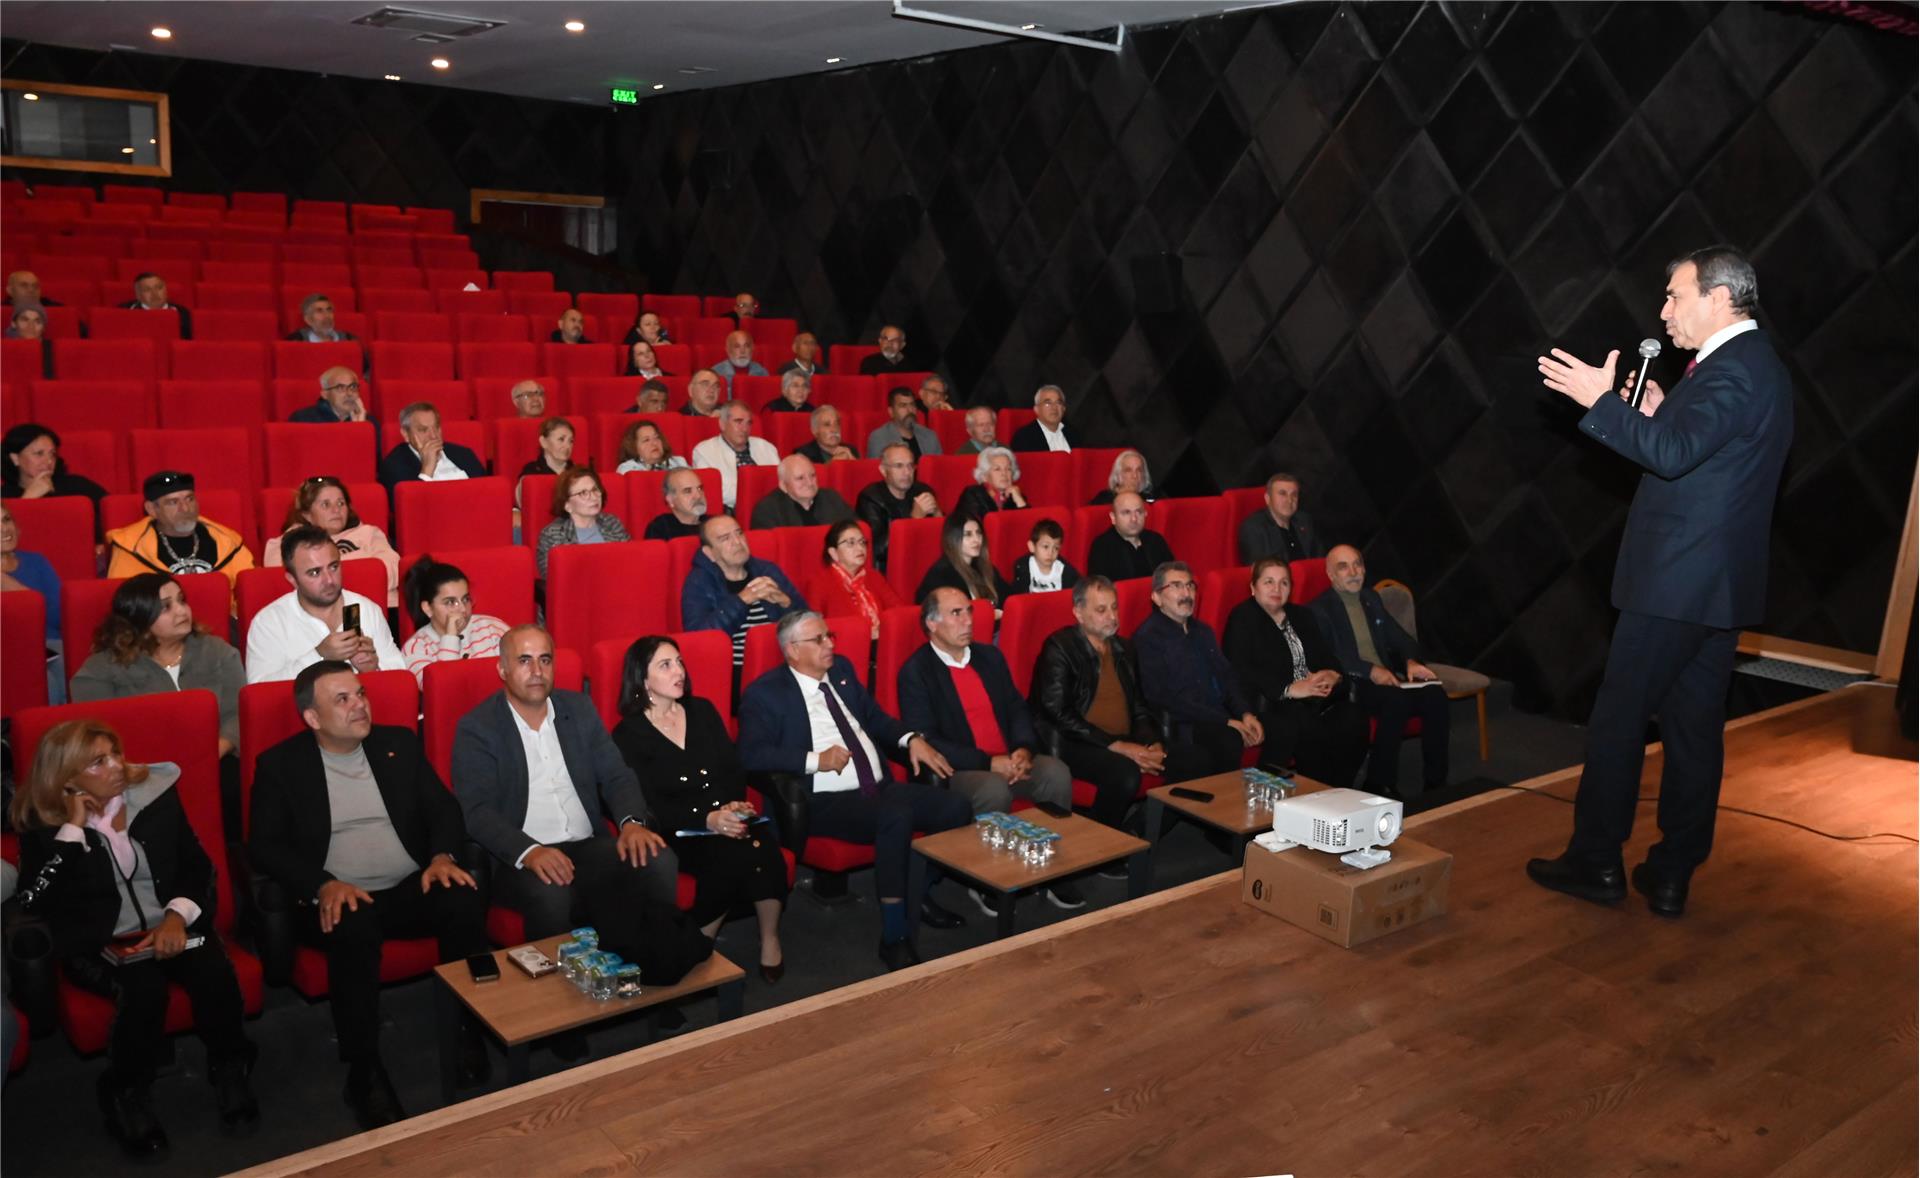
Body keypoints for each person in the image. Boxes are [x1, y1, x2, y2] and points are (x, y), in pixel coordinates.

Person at [1528, 245, 1793, 916]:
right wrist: (1661, 411)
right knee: (1693, 729)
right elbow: (1707, 456)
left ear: (1718, 298)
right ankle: (1672, 872)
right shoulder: (1748, 366)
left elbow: (1672, 458)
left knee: (1618, 720)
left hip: (1677, 584)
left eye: (1675, 295)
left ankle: (1596, 861)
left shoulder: (1736, 368)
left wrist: (1600, 402)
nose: (1664, 310)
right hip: (1713, 590)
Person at [248, 661, 489, 1129]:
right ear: (312, 718)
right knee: (353, 924)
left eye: (360, 693)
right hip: (338, 896)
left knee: (459, 894)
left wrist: (441, 857)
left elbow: (442, 808)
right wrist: (323, 884)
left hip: (408, 887)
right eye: (342, 699)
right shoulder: (280, 766)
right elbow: (265, 846)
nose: (359, 705)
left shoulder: (397, 743)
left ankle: (467, 1027)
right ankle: (363, 1070)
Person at [12, 720, 259, 1159]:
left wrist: (175, 918)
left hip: (169, 922)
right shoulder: (42, 825)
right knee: (144, 990)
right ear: (67, 779)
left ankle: (230, 1067)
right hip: (97, 942)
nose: (117, 766)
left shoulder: (155, 797)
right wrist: (72, 831)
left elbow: (197, 867)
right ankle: (126, 1093)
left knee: (212, 971)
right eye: (98, 762)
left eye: (115, 754)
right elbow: (33, 899)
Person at [737, 610, 968, 970]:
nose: (829, 644)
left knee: (957, 807)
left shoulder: (841, 671)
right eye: (819, 639)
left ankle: (916, 893)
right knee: (895, 817)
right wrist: (815, 760)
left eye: (829, 636)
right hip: (822, 801)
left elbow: (875, 718)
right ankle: (895, 935)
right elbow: (751, 754)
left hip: (877, 788)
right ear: (792, 650)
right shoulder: (765, 694)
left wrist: (911, 739)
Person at [450, 626, 682, 943]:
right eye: (524, 660)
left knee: (657, 858)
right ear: (502, 670)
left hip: (586, 846)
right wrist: (530, 851)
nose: (537, 671)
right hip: (519, 856)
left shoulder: (579, 709)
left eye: (545, 660)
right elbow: (477, 810)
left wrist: (631, 823)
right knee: (551, 891)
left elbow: (616, 774)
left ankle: (657, 958)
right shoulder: (478, 727)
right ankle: (555, 977)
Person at [610, 636, 788, 982]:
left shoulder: (702, 710)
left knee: (761, 843)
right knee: (729, 854)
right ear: (642, 679)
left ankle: (770, 938)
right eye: (666, 665)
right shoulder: (629, 734)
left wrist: (732, 805)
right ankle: (698, 943)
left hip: (725, 817)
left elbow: (732, 768)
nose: (679, 671)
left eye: (679, 662)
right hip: (677, 831)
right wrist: (707, 819)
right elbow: (648, 803)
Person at [898, 588, 1078, 912]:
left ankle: (1051, 867)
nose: (968, 620)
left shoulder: (989, 657)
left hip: (1008, 758)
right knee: (993, 789)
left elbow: (1017, 707)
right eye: (957, 613)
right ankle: (988, 878)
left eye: (969, 611)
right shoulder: (917, 672)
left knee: (1056, 773)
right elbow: (928, 740)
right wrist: (987, 762)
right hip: (961, 767)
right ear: (932, 624)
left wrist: (1023, 749)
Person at [72, 574, 245, 824]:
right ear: (138, 618)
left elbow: (238, 713)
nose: (181, 611)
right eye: (166, 607)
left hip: (216, 761)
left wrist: (210, 754)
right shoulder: (101, 670)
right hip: (140, 773)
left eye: (181, 600)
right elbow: (95, 736)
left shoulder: (216, 651)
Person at [1307, 545, 1448, 799]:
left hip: (1386, 678)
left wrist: (1410, 661)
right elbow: (1329, 656)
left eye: (1357, 564)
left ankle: (1436, 783)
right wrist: (1370, 670)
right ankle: (1379, 782)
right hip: (1352, 683)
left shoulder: (1371, 598)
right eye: (1343, 567)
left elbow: (1402, 638)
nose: (1353, 572)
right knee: (1396, 700)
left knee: (1435, 696)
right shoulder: (1319, 609)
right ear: (1330, 574)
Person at [1028, 576, 1168, 833]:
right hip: (1076, 742)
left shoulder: (1125, 648)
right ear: (1078, 613)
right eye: (1101, 610)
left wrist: (1153, 743)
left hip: (1122, 739)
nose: (1112, 617)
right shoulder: (1060, 647)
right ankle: (1098, 841)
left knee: (1188, 760)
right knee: (1125, 773)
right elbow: (1058, 712)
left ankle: (1137, 832)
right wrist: (1116, 746)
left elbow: (1139, 707)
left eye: (1114, 607)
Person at [1221, 559, 1367, 788]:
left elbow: (1326, 656)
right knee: (1304, 724)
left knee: (1353, 717)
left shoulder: (1301, 615)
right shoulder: (1242, 617)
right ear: (1253, 587)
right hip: (1272, 702)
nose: (1277, 589)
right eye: (1269, 582)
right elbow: (1241, 669)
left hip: (1315, 698)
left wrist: (1333, 674)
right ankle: (1317, 792)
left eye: (1284, 583)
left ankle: (1339, 789)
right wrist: (1289, 689)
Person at [1132, 562, 1263, 780]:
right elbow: (1163, 698)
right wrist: (1225, 721)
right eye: (1176, 586)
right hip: (1182, 724)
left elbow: (1227, 677)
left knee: (1273, 726)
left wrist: (1245, 713)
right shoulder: (1148, 638)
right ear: (1156, 597)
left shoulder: (1203, 631)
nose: (1186, 593)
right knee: (1226, 739)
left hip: (1217, 716)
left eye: (1190, 586)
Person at [245, 524, 406, 684]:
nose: (329, 580)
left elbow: (400, 676)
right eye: (315, 572)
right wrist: (319, 656)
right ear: (292, 579)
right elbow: (261, 690)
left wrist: (373, 670)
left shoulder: (367, 609)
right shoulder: (268, 623)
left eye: (334, 567)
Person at [681, 516, 806, 668]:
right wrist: (742, 600)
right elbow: (700, 638)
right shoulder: (699, 582)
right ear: (709, 553)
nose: (737, 542)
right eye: (725, 538)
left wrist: (786, 603)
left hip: (782, 664)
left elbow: (808, 625)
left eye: (739, 533)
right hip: (734, 670)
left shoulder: (766, 570)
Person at [261, 476, 400, 608]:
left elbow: (392, 572)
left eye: (341, 503)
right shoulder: (287, 543)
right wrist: (363, 563)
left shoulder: (369, 533)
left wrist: (320, 572)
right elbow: (282, 581)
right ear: (307, 515)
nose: (336, 510)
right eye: (326, 504)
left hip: (380, 607)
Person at [106, 470, 254, 590]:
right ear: (151, 509)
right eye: (173, 502)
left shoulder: (228, 542)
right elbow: (127, 602)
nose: (185, 508)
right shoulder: (132, 547)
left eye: (189, 499)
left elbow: (248, 592)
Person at [398, 555, 512, 684]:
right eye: (450, 602)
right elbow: (443, 687)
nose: (463, 609)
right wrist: (451, 637)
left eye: (466, 599)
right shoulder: (416, 648)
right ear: (428, 608)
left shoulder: (492, 628)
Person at [809, 518, 902, 640]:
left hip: (882, 641)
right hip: (846, 646)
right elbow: (816, 629)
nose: (860, 548)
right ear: (833, 553)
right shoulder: (819, 583)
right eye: (851, 543)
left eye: (862, 542)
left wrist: (885, 630)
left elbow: (898, 610)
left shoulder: (874, 576)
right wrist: (864, 634)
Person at [855, 443, 941, 572]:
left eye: (910, 466)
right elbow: (877, 550)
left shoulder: (922, 491)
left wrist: (937, 513)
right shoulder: (870, 498)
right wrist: (914, 519)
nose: (907, 472)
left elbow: (945, 539)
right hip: (890, 568)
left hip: (925, 561)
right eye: (899, 466)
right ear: (883, 470)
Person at [3, 423, 109, 527]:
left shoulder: (76, 486)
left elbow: (111, 510)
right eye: (39, 454)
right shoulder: (5, 496)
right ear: (15, 458)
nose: (49, 461)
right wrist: (28, 499)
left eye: (52, 454)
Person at [536, 466, 630, 579]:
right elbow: (553, 579)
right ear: (567, 505)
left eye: (595, 490)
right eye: (583, 493)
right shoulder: (552, 534)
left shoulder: (612, 523)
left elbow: (630, 562)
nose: (594, 497)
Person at [689, 400, 779, 513]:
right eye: (738, 422)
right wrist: (760, 491)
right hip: (730, 513)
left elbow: (780, 483)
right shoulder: (704, 451)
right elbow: (717, 493)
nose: (744, 429)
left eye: (749, 423)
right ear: (722, 424)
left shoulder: (766, 447)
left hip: (772, 510)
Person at [377, 402, 486, 492]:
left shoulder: (464, 454)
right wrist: (427, 469)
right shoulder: (393, 466)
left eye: (436, 427)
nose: (433, 436)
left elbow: (488, 490)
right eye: (423, 430)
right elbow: (408, 507)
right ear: (406, 434)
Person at [914, 514, 1009, 609]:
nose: (976, 540)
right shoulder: (941, 575)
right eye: (968, 534)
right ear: (953, 538)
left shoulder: (985, 567)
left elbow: (1008, 598)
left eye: (978, 533)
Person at [1, 504, 62, 649]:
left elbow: (61, 617)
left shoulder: (36, 561)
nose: (4, 528)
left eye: (6, 519)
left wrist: (18, 590)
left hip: (48, 646)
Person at [1083, 492, 1175, 583]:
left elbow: (1172, 577)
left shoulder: (1156, 540)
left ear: (1145, 514)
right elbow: (1100, 588)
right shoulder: (1102, 546)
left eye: (1138, 512)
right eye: (1126, 513)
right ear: (1113, 517)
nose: (1134, 519)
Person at [1237, 472, 1322, 564]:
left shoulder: (1304, 521)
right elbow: (1259, 569)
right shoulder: (1254, 528)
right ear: (1268, 498)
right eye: (1283, 494)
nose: (1289, 500)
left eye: (1294, 494)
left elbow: (1320, 559)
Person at [749, 454, 854, 529]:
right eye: (800, 478)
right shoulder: (767, 510)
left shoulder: (832, 498)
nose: (809, 483)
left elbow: (855, 529)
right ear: (783, 485)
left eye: (812, 475)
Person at [516, 415, 575, 509]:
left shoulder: (578, 473)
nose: (567, 446)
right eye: (561, 439)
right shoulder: (530, 473)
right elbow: (525, 508)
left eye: (571, 441)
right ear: (543, 442)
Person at [865, 386, 942, 459]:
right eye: (903, 405)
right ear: (891, 412)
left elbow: (937, 467)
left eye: (912, 405)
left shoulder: (929, 436)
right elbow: (878, 468)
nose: (910, 410)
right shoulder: (879, 438)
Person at [954, 446, 1027, 520]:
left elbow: (1029, 523)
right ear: (984, 476)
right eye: (997, 469)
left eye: (1008, 469)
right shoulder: (973, 494)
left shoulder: (1016, 495)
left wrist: (1019, 500)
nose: (1004, 473)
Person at [1009, 517, 1078, 595]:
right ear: (1032, 546)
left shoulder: (1066, 572)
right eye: (1045, 547)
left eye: (1056, 548)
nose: (1050, 553)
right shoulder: (1023, 567)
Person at [118, 272, 193, 339]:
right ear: (138, 295)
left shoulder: (183, 313)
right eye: (147, 289)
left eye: (159, 288)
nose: (154, 294)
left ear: (166, 290)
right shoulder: (124, 312)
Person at [284, 293, 361, 356]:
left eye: (329, 310)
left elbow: (364, 368)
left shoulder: (350, 340)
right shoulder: (295, 342)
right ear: (308, 319)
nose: (327, 315)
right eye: (319, 311)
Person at [644, 468, 710, 541]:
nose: (698, 496)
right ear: (670, 500)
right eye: (688, 491)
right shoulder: (660, 528)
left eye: (700, 488)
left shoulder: (714, 524)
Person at [288, 367, 369, 423]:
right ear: (325, 394)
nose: (349, 393)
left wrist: (361, 428)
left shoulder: (368, 421)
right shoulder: (303, 419)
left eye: (353, 387)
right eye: (340, 388)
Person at [1010, 385, 1074, 452]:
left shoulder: (1073, 434)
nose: (1054, 408)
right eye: (1048, 403)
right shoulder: (1024, 437)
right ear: (1036, 409)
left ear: (1064, 408)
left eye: (1058, 403)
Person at [616, 418, 689, 474]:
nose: (654, 443)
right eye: (646, 440)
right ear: (634, 447)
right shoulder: (628, 469)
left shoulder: (679, 462)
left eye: (657, 437)